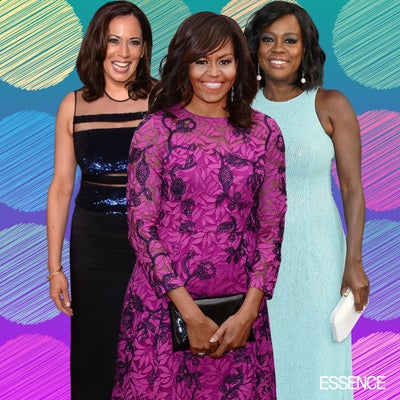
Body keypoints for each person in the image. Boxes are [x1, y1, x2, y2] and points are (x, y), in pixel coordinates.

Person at [112, 11, 287, 400]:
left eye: (224, 61)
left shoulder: (265, 133)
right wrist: (189, 314)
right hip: (161, 310)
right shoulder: (155, 131)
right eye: (201, 61)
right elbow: (142, 228)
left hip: (238, 317)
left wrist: (249, 312)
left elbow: (271, 230)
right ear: (184, 64)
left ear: (240, 66)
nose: (214, 73)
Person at [244, 2, 370, 399]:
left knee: (318, 361)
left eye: (290, 40)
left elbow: (352, 188)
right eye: (268, 39)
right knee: (261, 365)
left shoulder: (330, 104)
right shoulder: (239, 109)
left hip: (319, 259)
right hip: (255, 261)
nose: (278, 49)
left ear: (305, 48)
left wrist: (354, 263)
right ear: (255, 47)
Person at [46, 1, 154, 398]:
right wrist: (54, 269)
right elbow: (61, 186)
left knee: (150, 348)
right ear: (97, 44)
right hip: (93, 246)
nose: (123, 53)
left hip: (152, 244)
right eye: (113, 40)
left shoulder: (163, 100)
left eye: (133, 42)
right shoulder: (72, 105)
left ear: (144, 49)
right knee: (97, 349)